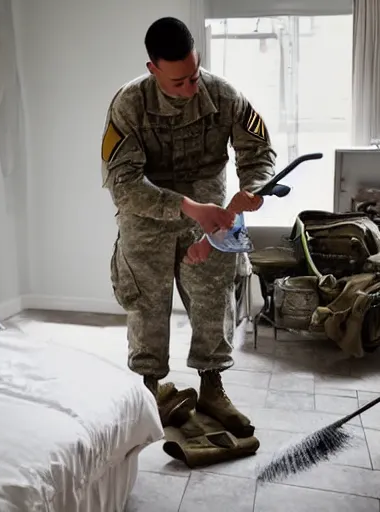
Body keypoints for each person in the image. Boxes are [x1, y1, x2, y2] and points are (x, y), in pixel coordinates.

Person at [100, 17, 276, 439]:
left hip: (214, 216)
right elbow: (122, 185)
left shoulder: (224, 94)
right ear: (152, 69)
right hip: (147, 218)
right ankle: (148, 391)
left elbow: (258, 152)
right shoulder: (128, 104)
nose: (190, 88)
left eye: (194, 76)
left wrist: (252, 189)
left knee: (216, 298)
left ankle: (213, 387)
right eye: (178, 82)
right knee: (146, 306)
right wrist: (186, 207)